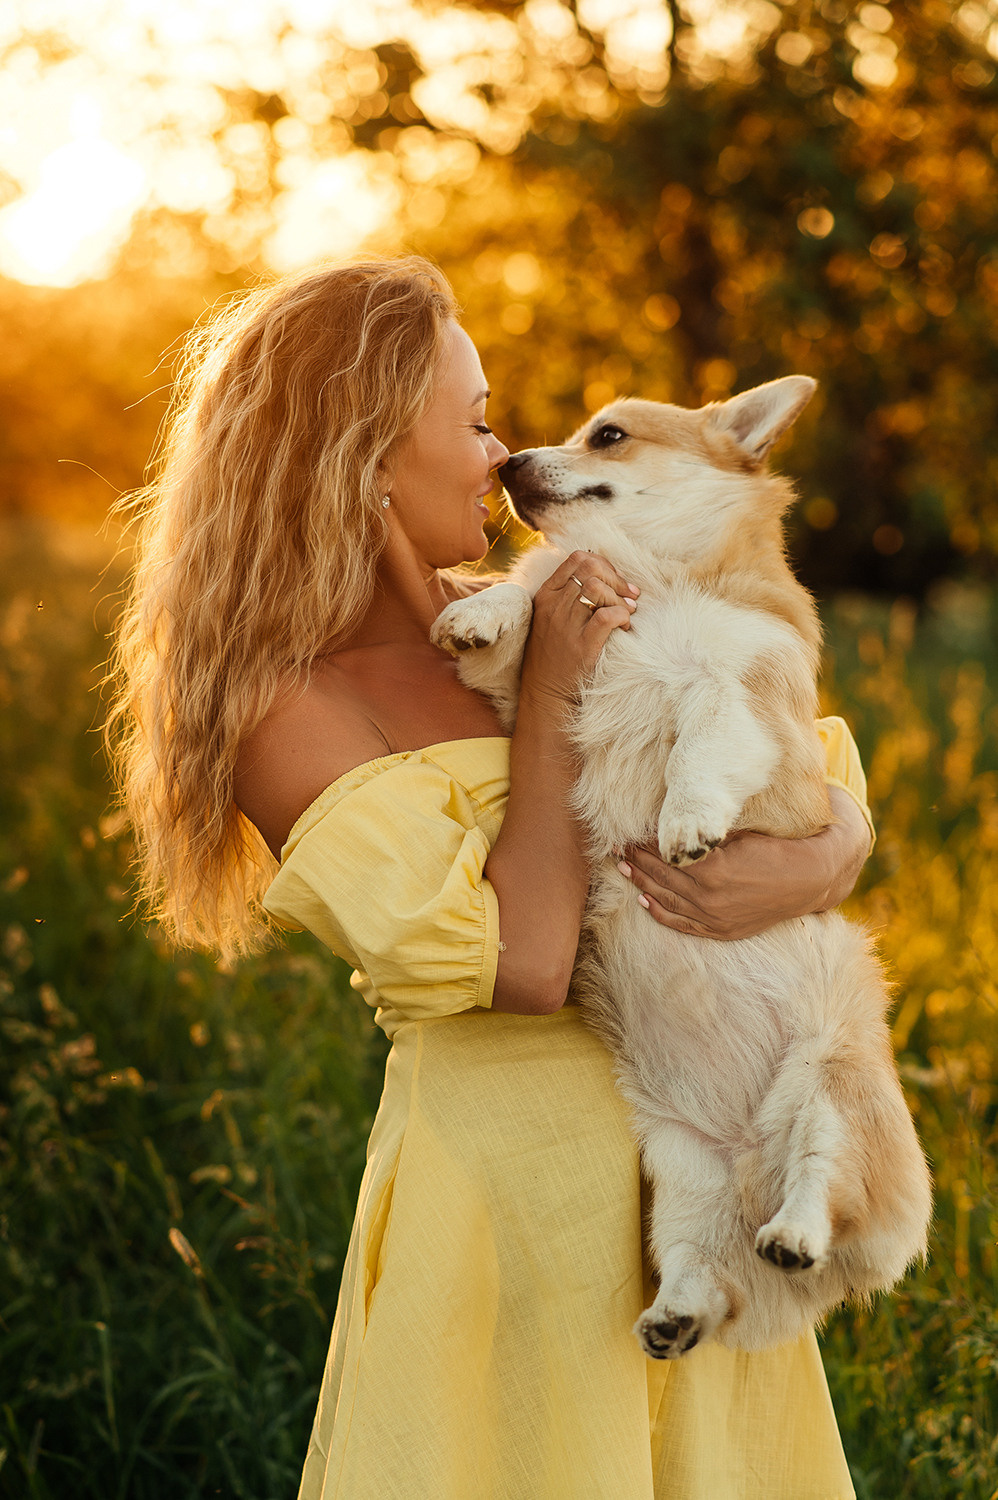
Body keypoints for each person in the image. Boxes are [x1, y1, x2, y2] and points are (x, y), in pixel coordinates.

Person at [112, 256, 874, 1499]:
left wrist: (831, 848)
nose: (502, 454)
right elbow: (519, 963)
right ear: (363, 459)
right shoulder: (290, 707)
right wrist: (561, 690)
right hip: (512, 1214)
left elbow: (789, 746)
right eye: (470, 426)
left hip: (689, 1192)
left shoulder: (512, 609)